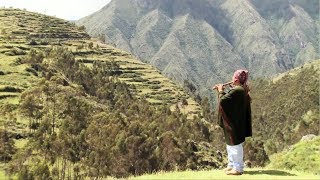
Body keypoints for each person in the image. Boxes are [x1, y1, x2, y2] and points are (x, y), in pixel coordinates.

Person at [213, 70, 252, 175]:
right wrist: (223, 91)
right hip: (233, 121)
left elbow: (223, 101)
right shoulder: (240, 90)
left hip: (234, 122)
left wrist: (220, 90)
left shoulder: (238, 90)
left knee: (235, 145)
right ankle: (231, 165)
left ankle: (238, 168)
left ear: (235, 79)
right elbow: (229, 101)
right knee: (230, 144)